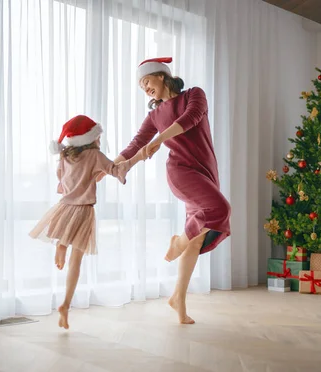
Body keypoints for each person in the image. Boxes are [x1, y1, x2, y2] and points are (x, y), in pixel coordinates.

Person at [99, 57, 231, 324]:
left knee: (197, 238)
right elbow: (135, 145)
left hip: (206, 170)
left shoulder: (194, 95)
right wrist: (104, 169)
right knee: (219, 209)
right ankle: (177, 243)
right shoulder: (154, 116)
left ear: (161, 76)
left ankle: (178, 300)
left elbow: (191, 118)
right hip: (181, 171)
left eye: (146, 81)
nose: (145, 88)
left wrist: (160, 139)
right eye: (141, 86)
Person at [30, 115, 145, 330]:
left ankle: (61, 245)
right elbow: (116, 170)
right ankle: (65, 304)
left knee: (69, 248)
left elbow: (63, 182)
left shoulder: (65, 157)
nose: (100, 140)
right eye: (98, 136)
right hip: (83, 212)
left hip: (65, 208)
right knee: (76, 262)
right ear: (91, 138)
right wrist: (139, 157)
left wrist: (89, 176)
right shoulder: (95, 155)